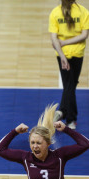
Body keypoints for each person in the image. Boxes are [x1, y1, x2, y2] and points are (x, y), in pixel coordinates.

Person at [49, 0, 89, 129]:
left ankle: (62, 111)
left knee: (70, 84)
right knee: (71, 84)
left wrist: (62, 55)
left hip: (62, 54)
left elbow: (54, 39)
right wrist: (66, 44)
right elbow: (84, 35)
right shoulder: (83, 11)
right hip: (78, 53)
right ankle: (71, 119)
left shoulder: (55, 13)